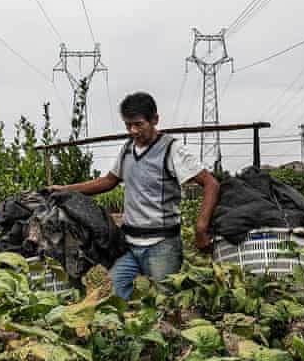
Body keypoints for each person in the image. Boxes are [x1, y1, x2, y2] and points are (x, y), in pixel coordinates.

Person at [49, 91, 220, 299]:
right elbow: (108, 181)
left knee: (163, 303)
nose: (133, 130)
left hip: (162, 245)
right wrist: (66, 189)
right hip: (130, 244)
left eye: (139, 124)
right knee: (111, 295)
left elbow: (211, 184)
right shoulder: (128, 149)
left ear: (154, 120)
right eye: (128, 125)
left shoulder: (171, 150)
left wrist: (201, 228)